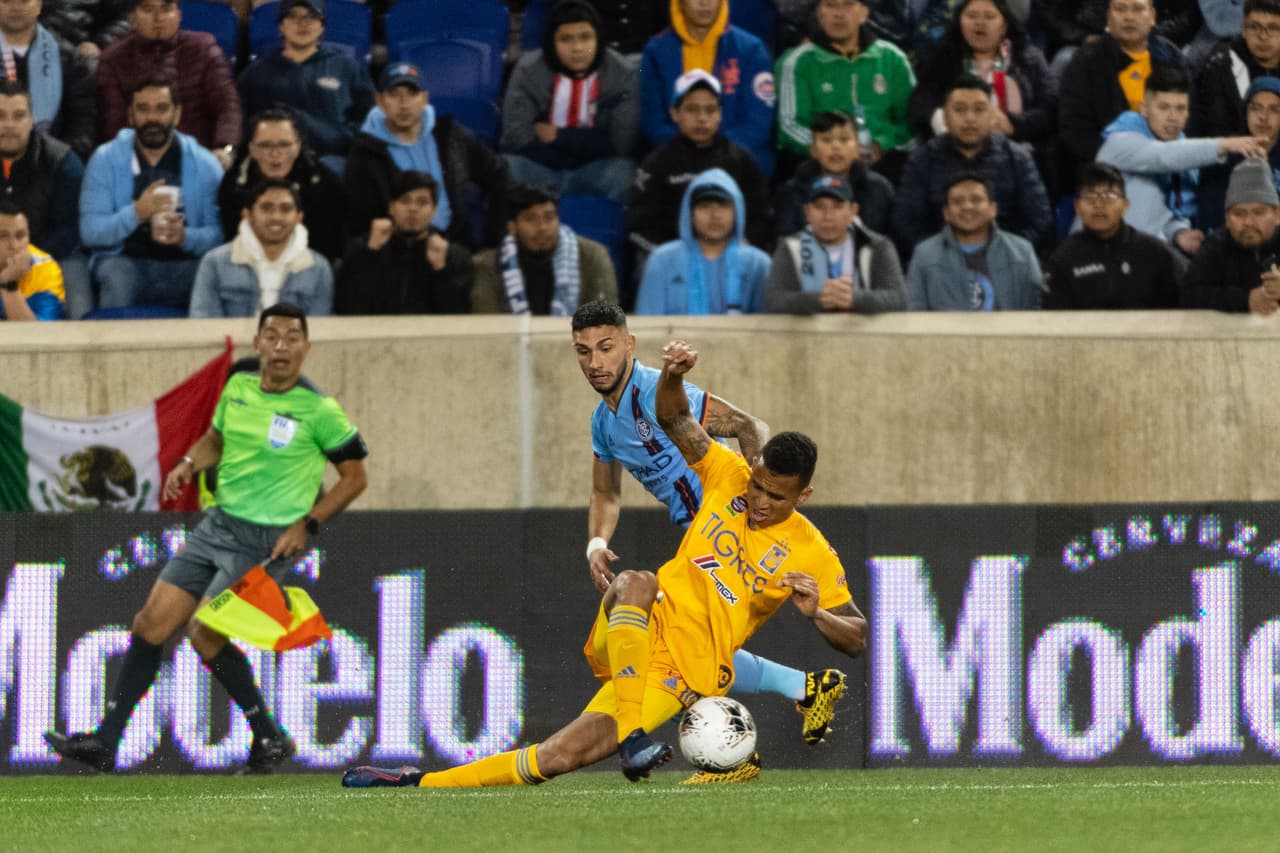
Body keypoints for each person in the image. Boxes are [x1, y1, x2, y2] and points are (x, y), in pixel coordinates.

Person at [342, 336, 866, 789]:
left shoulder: (812, 550)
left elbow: (858, 637)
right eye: (756, 486)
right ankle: (637, 738)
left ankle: (416, 781)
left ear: (804, 495)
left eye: (775, 496)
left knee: (558, 756)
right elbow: (675, 417)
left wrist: (818, 614)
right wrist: (676, 375)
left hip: (682, 671)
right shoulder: (727, 473)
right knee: (636, 581)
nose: (758, 501)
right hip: (640, 624)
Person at [46, 302, 369, 774]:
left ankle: (269, 735)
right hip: (218, 525)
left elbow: (355, 477)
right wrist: (188, 463)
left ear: (307, 346)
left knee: (202, 630)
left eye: (291, 337)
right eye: (272, 336)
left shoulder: (320, 410)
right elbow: (216, 441)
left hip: (268, 540)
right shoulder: (238, 386)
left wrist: (309, 523)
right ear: (257, 342)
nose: (281, 346)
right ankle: (106, 741)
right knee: (150, 624)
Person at [572, 300, 851, 782]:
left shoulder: (651, 387)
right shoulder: (603, 421)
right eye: (583, 351)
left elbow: (748, 425)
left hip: (719, 522)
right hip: (697, 529)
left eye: (606, 347)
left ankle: (741, 751)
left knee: (684, 643)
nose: (596, 362)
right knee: (690, 644)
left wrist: (751, 501)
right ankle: (800, 692)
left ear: (629, 345)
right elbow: (604, 492)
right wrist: (596, 544)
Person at [80, 73, 224, 311]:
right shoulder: (105, 160)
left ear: (177, 114)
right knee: (116, 274)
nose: (152, 118)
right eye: (143, 109)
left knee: (212, 270)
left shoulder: (205, 164)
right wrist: (136, 213)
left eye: (161, 109)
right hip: (127, 263)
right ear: (131, 115)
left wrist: (185, 237)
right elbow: (90, 232)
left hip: (184, 265)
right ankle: (112, 349)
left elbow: (219, 236)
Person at [1095, 66, 1268, 258]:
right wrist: (1224, 144)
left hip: (1153, 256)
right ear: (1144, 109)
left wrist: (1177, 234)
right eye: (1163, 107)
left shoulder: (1186, 153)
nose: (1172, 117)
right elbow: (1162, 156)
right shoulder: (1119, 142)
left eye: (1180, 108)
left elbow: (1167, 206)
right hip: (1101, 254)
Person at [345, 61, 510, 249]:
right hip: (399, 257)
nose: (404, 104)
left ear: (424, 99)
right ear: (380, 101)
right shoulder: (365, 153)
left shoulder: (451, 136)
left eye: (411, 94)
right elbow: (360, 225)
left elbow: (499, 173)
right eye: (394, 94)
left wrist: (493, 239)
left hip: (458, 250)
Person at [892, 75, 1052, 257]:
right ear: (945, 116)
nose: (970, 118)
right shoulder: (922, 159)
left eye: (979, 109)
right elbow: (905, 223)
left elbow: (1040, 220)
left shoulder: (1017, 157)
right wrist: (942, 257)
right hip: (941, 265)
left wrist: (1005, 254)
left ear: (993, 115)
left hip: (1007, 261)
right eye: (960, 110)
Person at [500, 0, 640, 204]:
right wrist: (581, 151)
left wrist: (559, 136)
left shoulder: (623, 72)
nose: (577, 48)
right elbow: (516, 137)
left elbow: (621, 144)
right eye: (566, 39)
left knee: (626, 171)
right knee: (506, 166)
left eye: (585, 37)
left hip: (596, 170)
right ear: (551, 42)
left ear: (598, 38)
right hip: (541, 167)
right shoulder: (528, 69)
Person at [628, 71, 773, 265]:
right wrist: (674, 255)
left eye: (710, 110)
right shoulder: (657, 163)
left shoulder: (741, 160)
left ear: (720, 114)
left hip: (731, 257)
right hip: (675, 261)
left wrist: (742, 246)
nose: (702, 118)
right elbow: (640, 227)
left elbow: (762, 217)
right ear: (674, 113)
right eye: (692, 110)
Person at [775, 0, 915, 180]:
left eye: (847, 4)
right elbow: (789, 125)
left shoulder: (892, 58)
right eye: (830, 5)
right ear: (820, 14)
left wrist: (882, 144)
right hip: (818, 168)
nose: (838, 14)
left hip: (884, 165)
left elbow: (910, 124)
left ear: (864, 14)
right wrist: (832, 149)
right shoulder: (798, 61)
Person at [908, 0, 1056, 163]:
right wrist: (940, 118)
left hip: (1018, 154)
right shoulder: (946, 57)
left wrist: (1014, 125)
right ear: (959, 22)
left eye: (989, 16)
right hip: (955, 154)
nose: (979, 23)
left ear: (1004, 26)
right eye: (971, 16)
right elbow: (921, 99)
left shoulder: (1029, 59)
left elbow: (1049, 109)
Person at [639, 0, 777, 175]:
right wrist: (689, 150)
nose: (705, 3)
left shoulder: (751, 49)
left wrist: (715, 151)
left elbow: (758, 122)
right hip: (675, 156)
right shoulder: (656, 50)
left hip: (737, 156)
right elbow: (653, 122)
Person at [95, 0, 241, 164]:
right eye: (148, 9)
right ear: (132, 17)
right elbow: (113, 123)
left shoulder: (204, 49)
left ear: (179, 15)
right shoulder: (113, 59)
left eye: (166, 9)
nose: (158, 18)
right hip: (137, 163)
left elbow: (227, 105)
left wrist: (225, 148)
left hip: (201, 160)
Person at [235, 0, 375, 169]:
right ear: (281, 26)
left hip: (332, 158)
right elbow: (240, 120)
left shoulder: (347, 68)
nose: (303, 23)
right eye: (293, 16)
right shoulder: (256, 73)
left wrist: (341, 140)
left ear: (322, 26)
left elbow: (369, 120)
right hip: (274, 161)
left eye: (311, 17)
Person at [1057, 0, 1189, 177]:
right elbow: (1075, 128)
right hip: (1109, 171)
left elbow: (1190, 115)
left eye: (1137, 9)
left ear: (1152, 16)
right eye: (1120, 9)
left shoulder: (1171, 56)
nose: (1129, 17)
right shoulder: (1086, 61)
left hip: (1167, 165)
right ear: (1108, 18)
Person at [0, 79, 89, 318]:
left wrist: (26, 257)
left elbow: (70, 230)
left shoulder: (63, 161)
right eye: (1, 116)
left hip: (54, 255)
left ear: (31, 120)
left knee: (79, 304)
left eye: (18, 116)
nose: (9, 125)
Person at [219, 108, 347, 266]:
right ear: (252, 149)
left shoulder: (324, 183)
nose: (275, 154)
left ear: (297, 147)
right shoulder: (234, 184)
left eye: (284, 145)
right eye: (265, 146)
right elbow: (232, 238)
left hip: (308, 268)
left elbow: (330, 244)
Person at [189, 178, 333, 318]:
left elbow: (317, 332)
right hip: (233, 342)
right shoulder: (215, 263)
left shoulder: (319, 268)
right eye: (266, 208)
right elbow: (203, 326)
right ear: (247, 214)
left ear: (299, 217)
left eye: (285, 209)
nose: (276, 216)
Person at [1043, 163, 1181, 308]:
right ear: (1077, 208)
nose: (1099, 205)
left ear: (1125, 205)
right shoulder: (1063, 258)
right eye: (1090, 197)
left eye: (1109, 197)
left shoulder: (1155, 252)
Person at [335, 170, 473, 315]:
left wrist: (441, 271)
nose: (413, 209)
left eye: (422, 202)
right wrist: (370, 255)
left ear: (434, 211)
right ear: (391, 207)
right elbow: (347, 308)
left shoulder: (454, 256)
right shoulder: (362, 249)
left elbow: (458, 317)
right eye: (405, 200)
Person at [635, 168, 770, 314]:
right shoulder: (662, 261)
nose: (715, 215)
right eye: (705, 206)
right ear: (690, 213)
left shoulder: (758, 264)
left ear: (737, 211)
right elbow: (648, 324)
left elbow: (770, 327)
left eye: (723, 205)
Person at [767, 175, 905, 314]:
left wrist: (854, 299)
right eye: (819, 207)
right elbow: (774, 300)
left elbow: (898, 298)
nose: (828, 217)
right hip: (807, 334)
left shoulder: (877, 246)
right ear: (807, 212)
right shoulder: (790, 247)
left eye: (837, 207)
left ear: (853, 211)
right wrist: (819, 299)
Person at [905, 173, 1043, 310]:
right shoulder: (924, 254)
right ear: (946, 213)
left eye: (976, 200)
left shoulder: (1022, 252)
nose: (967, 206)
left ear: (993, 209)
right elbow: (914, 312)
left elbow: (1035, 312)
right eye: (958, 201)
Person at [471, 184, 616, 315]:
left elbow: (604, 320)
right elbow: (488, 326)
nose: (542, 228)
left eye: (549, 217)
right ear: (512, 227)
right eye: (530, 219)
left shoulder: (592, 256)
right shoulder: (487, 265)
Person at [1180, 157, 1280, 313]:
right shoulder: (1215, 247)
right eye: (1239, 213)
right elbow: (1189, 295)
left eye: (1258, 212)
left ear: (1277, 214)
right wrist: (1245, 300)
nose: (1249, 222)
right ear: (1227, 219)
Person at [774, 110, 895, 237]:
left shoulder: (879, 188)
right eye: (826, 140)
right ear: (813, 150)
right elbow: (786, 241)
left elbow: (891, 241)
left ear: (857, 148)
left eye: (844, 139)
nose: (836, 146)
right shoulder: (793, 191)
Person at [0, 0, 96, 158]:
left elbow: (82, 128)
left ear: (38, 5)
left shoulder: (67, 58)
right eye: (7, 0)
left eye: (24, 0)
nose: (16, 6)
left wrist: (49, 159)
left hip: (50, 166)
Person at [1198, 76, 1280, 232]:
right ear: (1245, 111)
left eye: (1274, 110)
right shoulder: (1225, 153)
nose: (1263, 117)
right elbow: (1209, 216)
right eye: (1256, 108)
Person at [1193, 0, 1280, 138]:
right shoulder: (1220, 66)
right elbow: (1216, 133)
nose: (1263, 36)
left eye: (1274, 28)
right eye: (1254, 27)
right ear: (1243, 29)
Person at [0, 198, 65, 320]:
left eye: (20, 236)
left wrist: (9, 284)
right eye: (3, 236)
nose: (14, 246)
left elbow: (39, 335)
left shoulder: (46, 268)